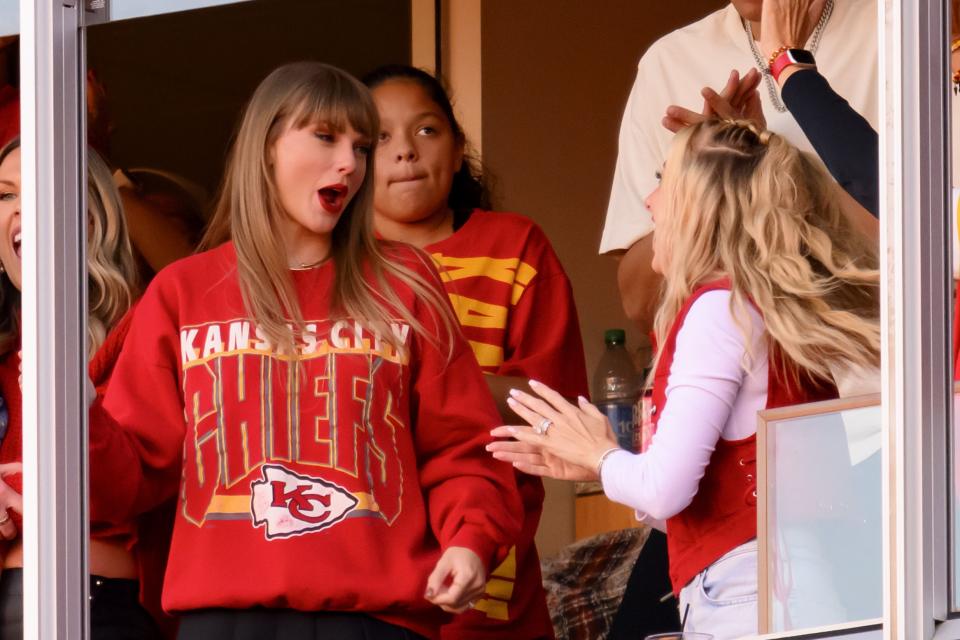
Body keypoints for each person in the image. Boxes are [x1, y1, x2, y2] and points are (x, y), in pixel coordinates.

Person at [88, 61, 523, 640]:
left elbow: (461, 449)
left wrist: (471, 541)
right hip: (224, 619)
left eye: (360, 146)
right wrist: (74, 405)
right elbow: (132, 477)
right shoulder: (183, 292)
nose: (350, 162)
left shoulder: (403, 283)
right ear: (267, 147)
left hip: (378, 619)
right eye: (325, 137)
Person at [490, 119, 881, 639]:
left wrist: (599, 458)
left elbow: (665, 491)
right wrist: (606, 461)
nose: (650, 202)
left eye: (662, 180)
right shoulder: (756, 306)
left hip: (755, 593)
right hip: (790, 586)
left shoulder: (718, 311)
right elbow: (690, 499)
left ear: (697, 206)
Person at [364, 64, 588, 640]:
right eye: (380, 137)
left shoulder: (514, 245)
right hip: (367, 570)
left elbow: (556, 409)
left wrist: (423, 382)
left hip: (494, 578)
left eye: (426, 131)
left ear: (459, 149)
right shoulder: (332, 270)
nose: (405, 153)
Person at [603, 0, 878, 334]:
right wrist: (709, 180)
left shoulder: (903, 27)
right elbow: (640, 304)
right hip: (748, 376)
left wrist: (770, 174)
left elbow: (941, 235)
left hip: (902, 369)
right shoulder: (668, 61)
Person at [0, 138, 162, 639]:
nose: (22, 206)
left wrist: (26, 491)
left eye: (44, 187)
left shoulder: (143, 334)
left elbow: (127, 492)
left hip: (100, 605)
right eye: (4, 194)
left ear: (92, 219)